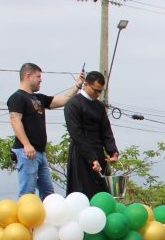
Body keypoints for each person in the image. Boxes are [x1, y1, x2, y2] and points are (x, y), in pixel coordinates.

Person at [7, 62, 84, 198]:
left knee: (48, 193)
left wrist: (78, 85)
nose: (40, 80)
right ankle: (24, 217)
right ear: (28, 76)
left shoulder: (39, 98)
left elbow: (64, 99)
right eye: (38, 76)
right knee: (27, 192)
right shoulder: (17, 97)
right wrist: (26, 144)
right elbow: (15, 120)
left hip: (40, 153)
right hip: (27, 152)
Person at [64, 71, 119, 198]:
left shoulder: (99, 106)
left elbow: (106, 131)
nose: (98, 94)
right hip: (81, 153)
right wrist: (91, 158)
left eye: (100, 92)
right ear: (86, 84)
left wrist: (113, 152)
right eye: (96, 91)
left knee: (103, 192)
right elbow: (76, 133)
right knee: (82, 192)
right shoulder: (73, 104)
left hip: (99, 151)